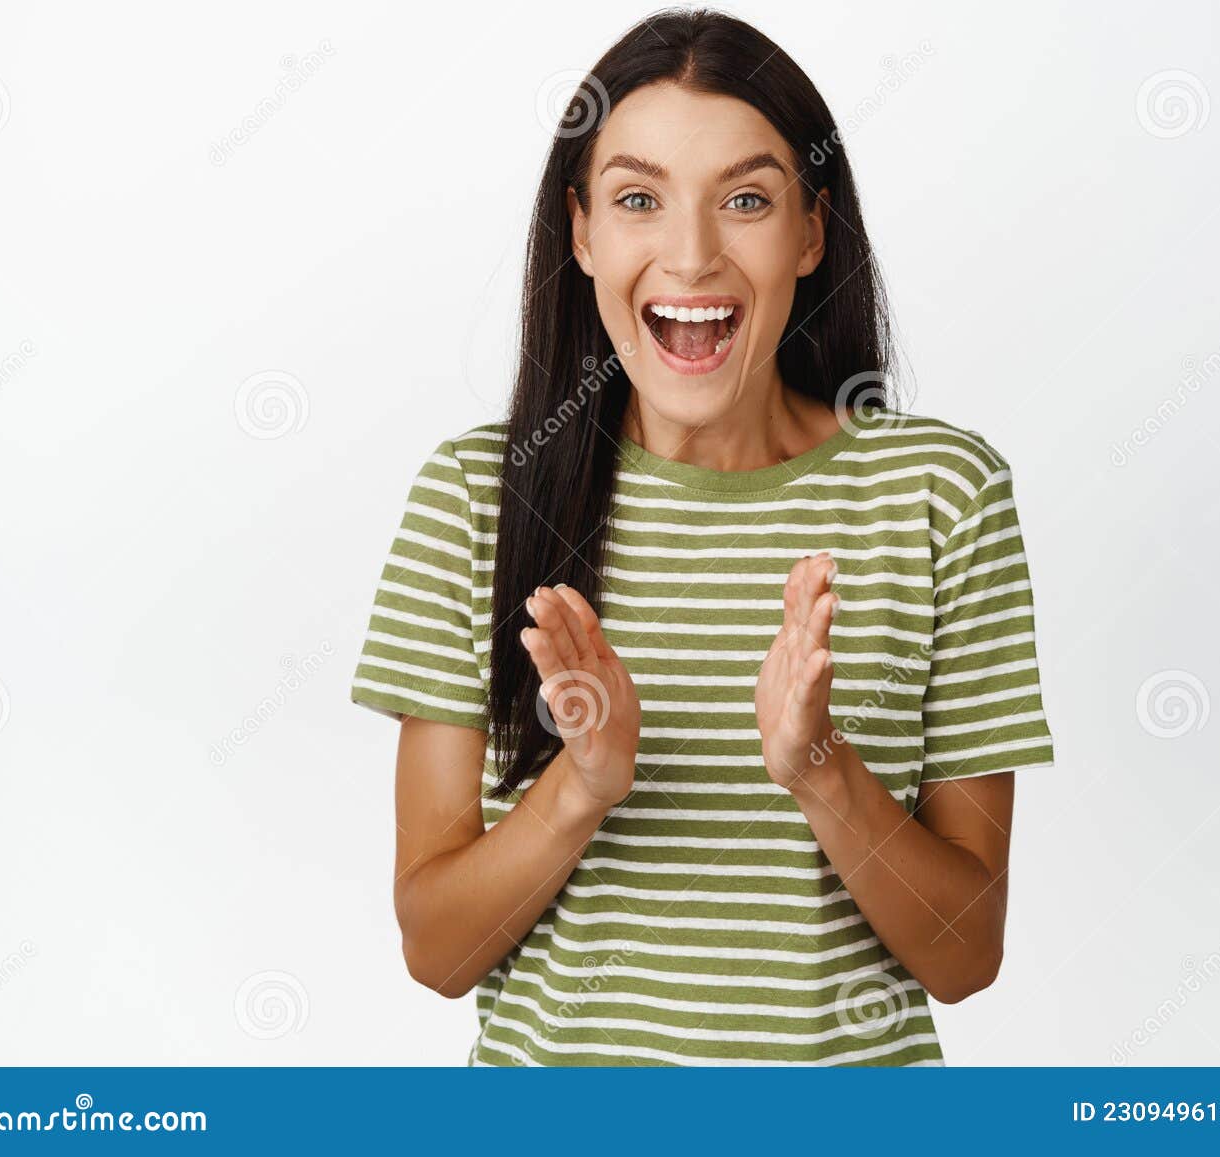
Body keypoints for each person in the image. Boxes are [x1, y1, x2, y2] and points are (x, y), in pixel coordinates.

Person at [349, 7, 1055, 1065]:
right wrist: (580, 784)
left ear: (811, 231)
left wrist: (822, 768)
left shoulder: (939, 494)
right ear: (583, 232)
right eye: (638, 199)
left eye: (746, 199)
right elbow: (437, 951)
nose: (690, 255)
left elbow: (964, 956)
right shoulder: (475, 499)